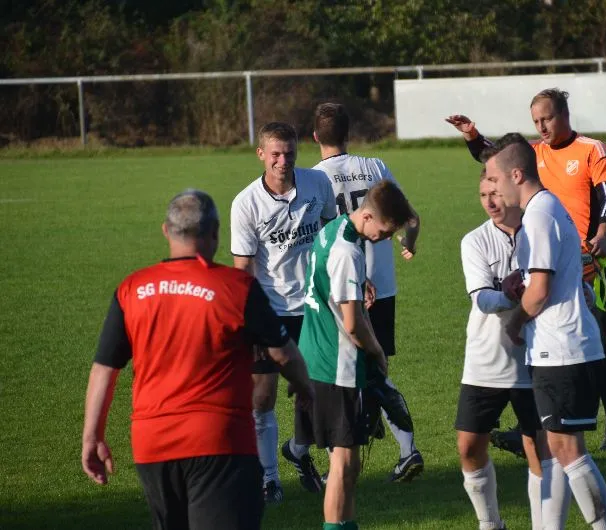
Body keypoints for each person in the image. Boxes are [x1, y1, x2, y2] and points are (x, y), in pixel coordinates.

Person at [81, 190, 314, 530]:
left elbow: (104, 369)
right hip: (220, 440)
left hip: (152, 445)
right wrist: (304, 386)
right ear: (215, 233)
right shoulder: (236, 287)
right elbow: (283, 352)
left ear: (166, 230)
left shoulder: (131, 289)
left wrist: (92, 436)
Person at [446, 88, 606, 450]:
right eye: (536, 121)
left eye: (547, 118)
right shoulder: (534, 154)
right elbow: (497, 159)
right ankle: (534, 426)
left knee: (603, 344)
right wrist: (472, 136)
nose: (542, 127)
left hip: (587, 265)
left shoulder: (591, 149)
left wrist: (602, 234)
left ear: (565, 115)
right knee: (538, 342)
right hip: (542, 264)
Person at [483, 134, 606, 529]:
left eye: (495, 179)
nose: (493, 188)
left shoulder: (539, 215)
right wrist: (519, 281)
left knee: (569, 451)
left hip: (562, 348)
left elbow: (540, 290)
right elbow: (549, 278)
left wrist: (514, 321)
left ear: (516, 175)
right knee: (558, 448)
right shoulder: (545, 209)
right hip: (560, 346)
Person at [287, 102, 423, 482]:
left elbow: (310, 233)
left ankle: (317, 450)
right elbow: (409, 216)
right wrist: (409, 243)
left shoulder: (313, 177)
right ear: (349, 134)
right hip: (379, 282)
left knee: (353, 370)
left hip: (340, 282)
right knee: (367, 368)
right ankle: (401, 449)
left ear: (315, 137)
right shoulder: (375, 167)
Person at [295, 180, 416, 530]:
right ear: (367, 216)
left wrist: (359, 285)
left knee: (348, 464)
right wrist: (377, 352)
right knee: (343, 465)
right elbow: (352, 324)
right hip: (336, 366)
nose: (384, 238)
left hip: (315, 357)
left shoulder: (334, 229)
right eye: (384, 230)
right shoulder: (348, 251)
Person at [458, 170, 571, 530]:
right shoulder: (474, 241)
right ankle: (490, 523)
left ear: (511, 192)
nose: (489, 202)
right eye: (483, 195)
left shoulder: (539, 232)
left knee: (539, 449)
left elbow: (557, 284)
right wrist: (513, 294)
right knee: (469, 448)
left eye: (494, 194)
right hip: (486, 359)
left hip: (535, 359)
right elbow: (482, 299)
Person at [231, 122, 337, 501]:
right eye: (275, 153)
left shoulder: (318, 183)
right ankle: (269, 479)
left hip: (314, 306)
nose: (283, 160)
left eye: (289, 152)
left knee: (321, 389)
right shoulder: (246, 203)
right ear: (261, 154)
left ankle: (317, 460)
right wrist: (251, 324)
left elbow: (333, 235)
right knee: (263, 397)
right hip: (270, 312)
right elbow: (243, 270)